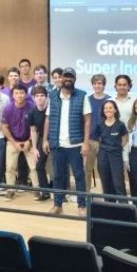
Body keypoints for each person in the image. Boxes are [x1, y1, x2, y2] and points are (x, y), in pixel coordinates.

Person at [43, 67, 91, 216]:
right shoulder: (53, 95)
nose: (68, 79)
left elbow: (87, 120)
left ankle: (82, 206)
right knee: (57, 176)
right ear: (61, 78)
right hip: (57, 144)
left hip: (75, 145)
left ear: (74, 79)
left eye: (71, 77)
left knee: (79, 176)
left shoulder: (82, 96)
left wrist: (85, 142)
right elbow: (48, 119)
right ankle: (58, 205)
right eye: (66, 76)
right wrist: (45, 140)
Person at [1, 84, 37, 201]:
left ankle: (37, 189)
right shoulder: (8, 108)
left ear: (26, 94)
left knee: (34, 167)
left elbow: (35, 127)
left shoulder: (32, 107)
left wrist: (29, 141)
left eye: (22, 93)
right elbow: (4, 127)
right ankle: (10, 190)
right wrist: (13, 143)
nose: (19, 95)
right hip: (13, 141)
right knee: (10, 167)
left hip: (29, 140)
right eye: (16, 93)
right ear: (12, 95)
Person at [94, 100, 128, 201]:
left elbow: (124, 140)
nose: (108, 110)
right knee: (106, 183)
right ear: (103, 111)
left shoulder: (120, 125)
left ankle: (124, 207)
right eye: (106, 108)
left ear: (115, 110)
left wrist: (116, 147)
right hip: (103, 155)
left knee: (118, 183)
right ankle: (109, 206)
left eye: (110, 108)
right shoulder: (100, 125)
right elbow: (98, 139)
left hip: (116, 155)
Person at [85, 74, 112, 192]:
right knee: (87, 169)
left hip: (104, 141)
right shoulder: (87, 100)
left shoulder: (110, 100)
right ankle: (85, 195)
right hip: (90, 140)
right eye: (95, 83)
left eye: (100, 83)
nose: (97, 86)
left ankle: (107, 195)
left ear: (104, 85)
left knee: (104, 170)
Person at [28, 85, 52, 202]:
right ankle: (45, 192)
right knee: (39, 166)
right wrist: (34, 148)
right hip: (42, 139)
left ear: (46, 97)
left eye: (42, 95)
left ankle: (61, 192)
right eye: (37, 96)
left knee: (56, 167)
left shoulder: (52, 109)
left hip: (55, 138)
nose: (39, 98)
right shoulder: (32, 113)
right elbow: (33, 131)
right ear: (33, 98)